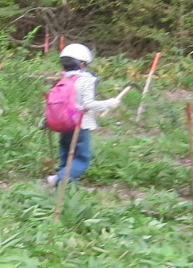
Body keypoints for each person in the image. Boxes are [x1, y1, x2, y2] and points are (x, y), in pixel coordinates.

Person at [45, 43, 130, 188]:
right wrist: (109, 103)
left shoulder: (64, 79)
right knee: (82, 158)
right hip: (79, 122)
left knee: (66, 153)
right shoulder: (86, 79)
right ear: (83, 63)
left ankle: (65, 185)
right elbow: (87, 104)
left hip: (65, 120)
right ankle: (58, 178)